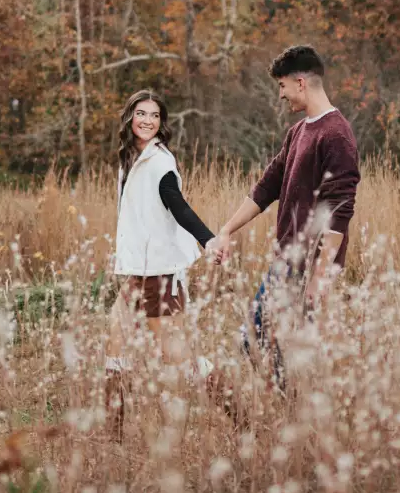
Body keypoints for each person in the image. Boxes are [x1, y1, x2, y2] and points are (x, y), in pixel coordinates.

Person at [207, 45, 361, 396]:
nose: (280, 94)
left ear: (301, 82)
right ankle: (290, 416)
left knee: (267, 342)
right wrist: (226, 231)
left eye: (282, 86)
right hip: (285, 261)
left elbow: (340, 211)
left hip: (308, 266)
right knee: (261, 341)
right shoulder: (298, 133)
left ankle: (297, 418)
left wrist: (319, 278)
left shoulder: (336, 134)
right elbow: (266, 188)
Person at [103, 89, 218, 441]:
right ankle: (114, 438)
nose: (147, 120)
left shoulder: (160, 163)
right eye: (141, 113)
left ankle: (240, 414)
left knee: (184, 362)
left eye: (154, 115)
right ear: (130, 118)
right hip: (140, 273)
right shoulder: (131, 159)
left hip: (158, 277)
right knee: (115, 348)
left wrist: (208, 238)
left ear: (161, 122)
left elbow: (178, 206)